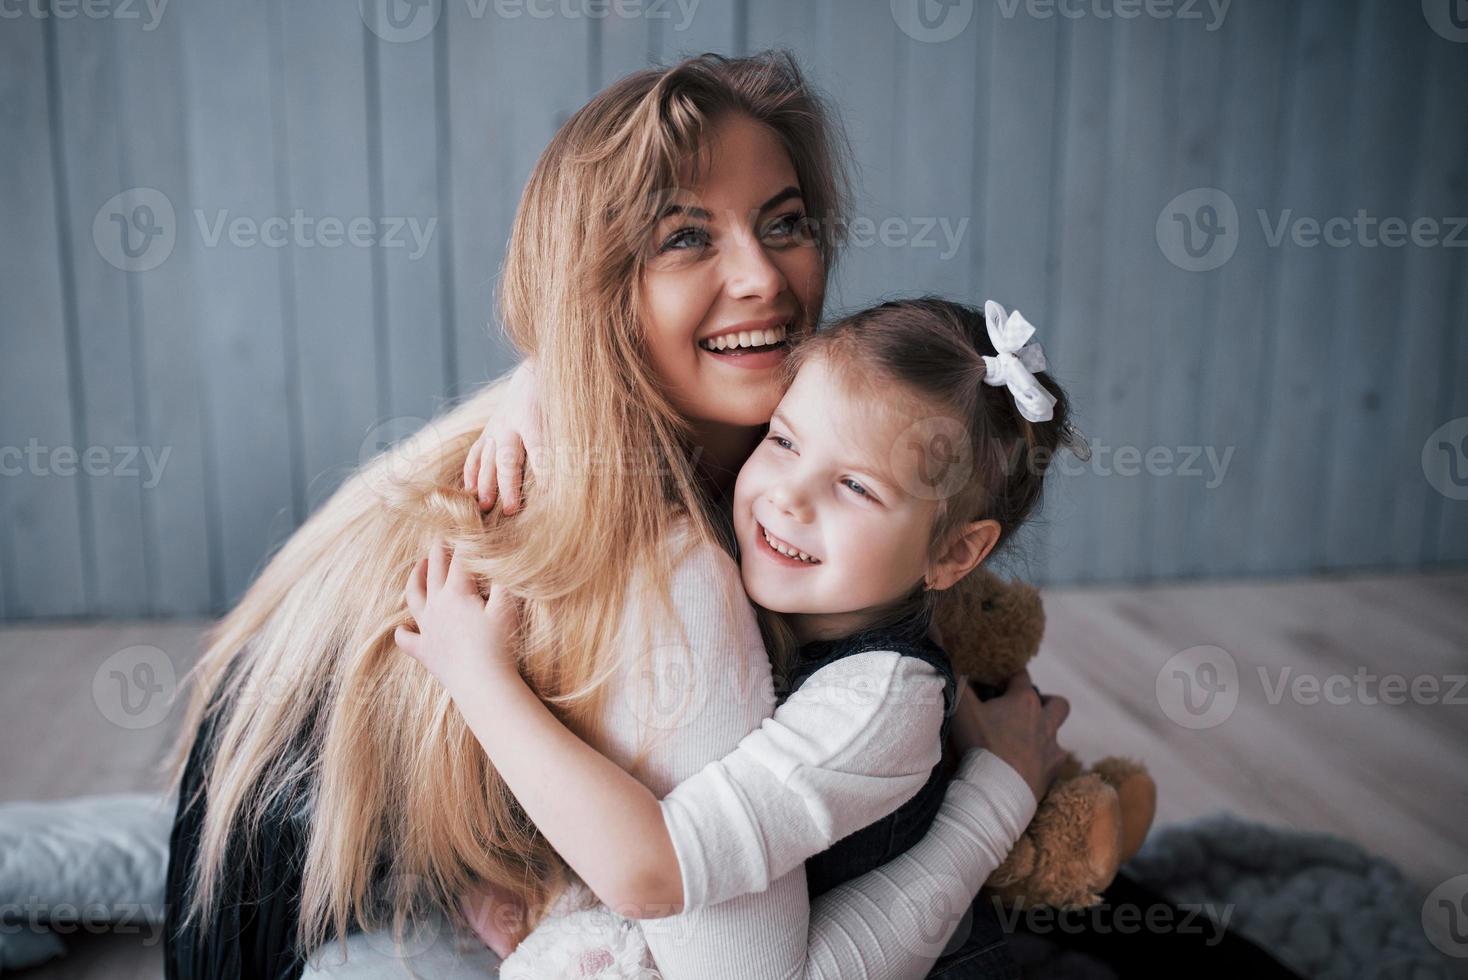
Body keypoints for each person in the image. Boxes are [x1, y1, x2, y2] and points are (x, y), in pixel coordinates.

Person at [163, 52, 1065, 980]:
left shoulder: (759, 455)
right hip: (339, 900)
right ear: (596, 289)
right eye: (685, 237)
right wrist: (993, 807)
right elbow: (739, 960)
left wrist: (548, 371)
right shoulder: (678, 577)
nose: (763, 276)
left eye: (784, 222)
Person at [401, 297, 1081, 978]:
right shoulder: (772, 561)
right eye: (784, 441)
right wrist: (539, 385)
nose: (789, 496)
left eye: (855, 487)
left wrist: (478, 677)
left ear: (956, 554)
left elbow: (650, 874)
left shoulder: (882, 701)